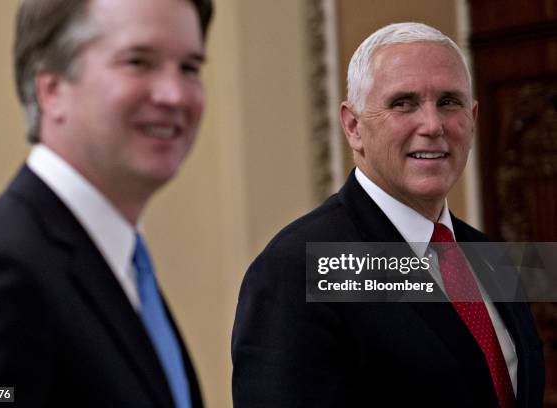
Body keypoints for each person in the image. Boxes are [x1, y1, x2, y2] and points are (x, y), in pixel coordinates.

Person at [232, 22, 544, 407]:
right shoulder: (299, 266)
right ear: (353, 127)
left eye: (449, 102)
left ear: (473, 118)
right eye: (403, 103)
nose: (432, 125)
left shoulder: (490, 256)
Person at [0, 0, 212, 406]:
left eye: (190, 68)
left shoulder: (121, 265)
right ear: (51, 89)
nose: (174, 94)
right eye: (139, 62)